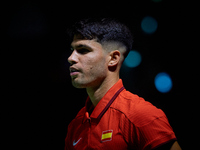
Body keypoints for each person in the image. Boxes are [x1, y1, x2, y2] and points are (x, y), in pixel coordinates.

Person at [64, 18, 181, 150]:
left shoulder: (142, 115)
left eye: (83, 50)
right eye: (72, 50)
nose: (71, 58)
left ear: (113, 58)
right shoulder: (76, 125)